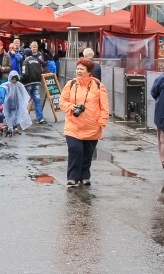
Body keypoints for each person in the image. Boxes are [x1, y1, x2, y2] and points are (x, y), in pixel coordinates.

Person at [59, 57, 109, 188]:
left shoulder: (99, 86)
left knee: (87, 153)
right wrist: (71, 107)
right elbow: (62, 101)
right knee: (75, 149)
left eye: (82, 69)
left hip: (92, 126)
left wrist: (101, 123)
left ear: (89, 71)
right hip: (73, 124)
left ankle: (85, 175)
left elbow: (104, 107)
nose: (79, 71)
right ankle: (72, 177)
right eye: (77, 68)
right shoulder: (70, 84)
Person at [21, 49, 47, 125]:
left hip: (28, 83)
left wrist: (20, 80)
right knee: (37, 101)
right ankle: (40, 118)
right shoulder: (36, 61)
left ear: (25, 55)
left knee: (25, 101)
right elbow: (41, 71)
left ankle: (23, 119)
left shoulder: (25, 62)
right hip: (37, 83)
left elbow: (24, 74)